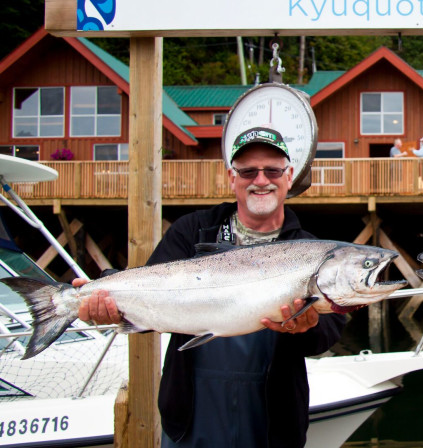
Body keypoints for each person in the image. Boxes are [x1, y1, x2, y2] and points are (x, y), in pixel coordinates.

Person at [74, 126, 346, 448]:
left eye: (272, 170)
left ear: (288, 177)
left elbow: (327, 334)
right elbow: (151, 301)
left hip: (272, 421)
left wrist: (307, 327)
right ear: (232, 178)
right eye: (248, 172)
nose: (261, 180)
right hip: (191, 413)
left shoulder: (308, 249)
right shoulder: (192, 231)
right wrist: (110, 309)